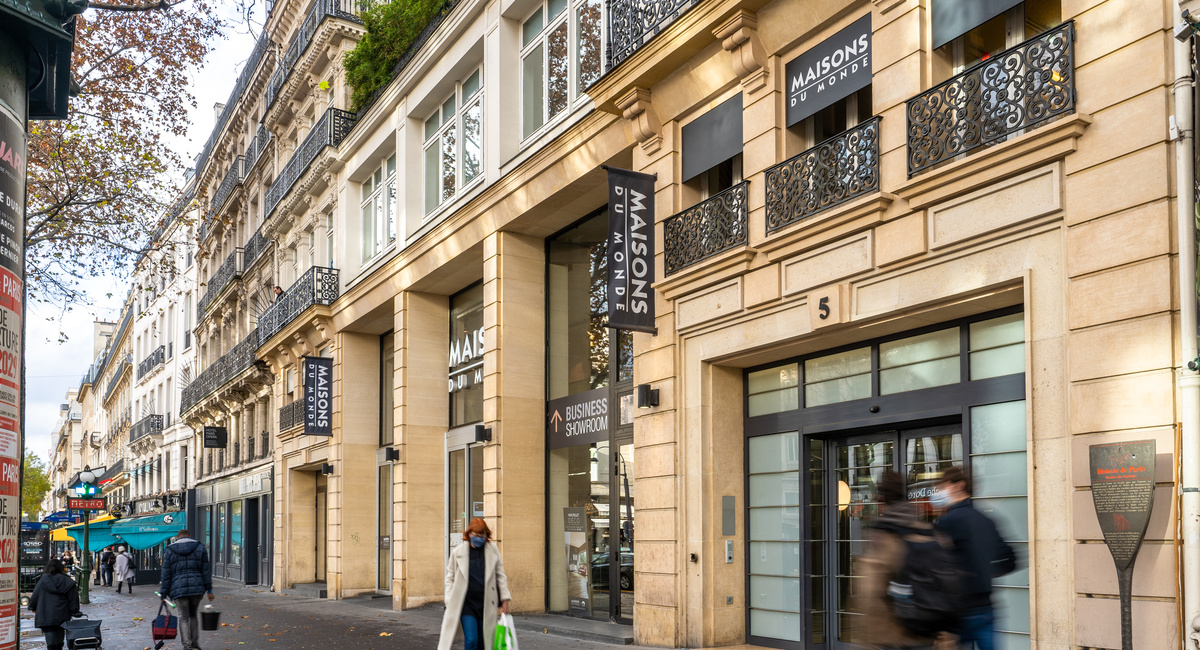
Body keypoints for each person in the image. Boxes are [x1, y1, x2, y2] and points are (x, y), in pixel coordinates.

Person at [934, 466, 1016, 650]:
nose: (939, 493)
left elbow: (937, 567)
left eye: (943, 487)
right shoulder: (986, 520)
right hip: (986, 608)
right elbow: (1010, 559)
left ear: (959, 486)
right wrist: (986, 572)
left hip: (957, 612)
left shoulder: (948, 522)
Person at [859, 470, 939, 650]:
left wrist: (869, 640)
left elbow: (870, 592)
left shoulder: (882, 534)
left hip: (890, 634)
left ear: (882, 499)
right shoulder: (927, 530)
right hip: (924, 630)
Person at [438, 518, 512, 650]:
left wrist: (505, 599)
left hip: (486, 603)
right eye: (476, 535)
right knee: (472, 640)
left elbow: (501, 574)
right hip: (466, 604)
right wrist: (449, 600)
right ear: (470, 534)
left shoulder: (492, 550)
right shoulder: (458, 552)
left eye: (482, 535)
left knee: (484, 642)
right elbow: (450, 578)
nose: (479, 538)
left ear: (486, 535)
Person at [160, 530, 214, 650]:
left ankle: (186, 645)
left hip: (178, 589)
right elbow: (206, 571)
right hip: (197, 588)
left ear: (178, 538)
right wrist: (209, 589)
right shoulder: (200, 547)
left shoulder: (170, 550)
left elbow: (166, 574)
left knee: (183, 617)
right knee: (193, 615)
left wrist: (163, 593)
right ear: (190, 536)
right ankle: (195, 643)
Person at [28, 558, 82, 650]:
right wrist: (75, 611)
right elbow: (73, 598)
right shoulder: (67, 581)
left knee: (50, 640)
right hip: (62, 613)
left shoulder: (43, 580)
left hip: (45, 614)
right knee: (59, 635)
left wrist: (32, 606)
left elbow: (35, 596)